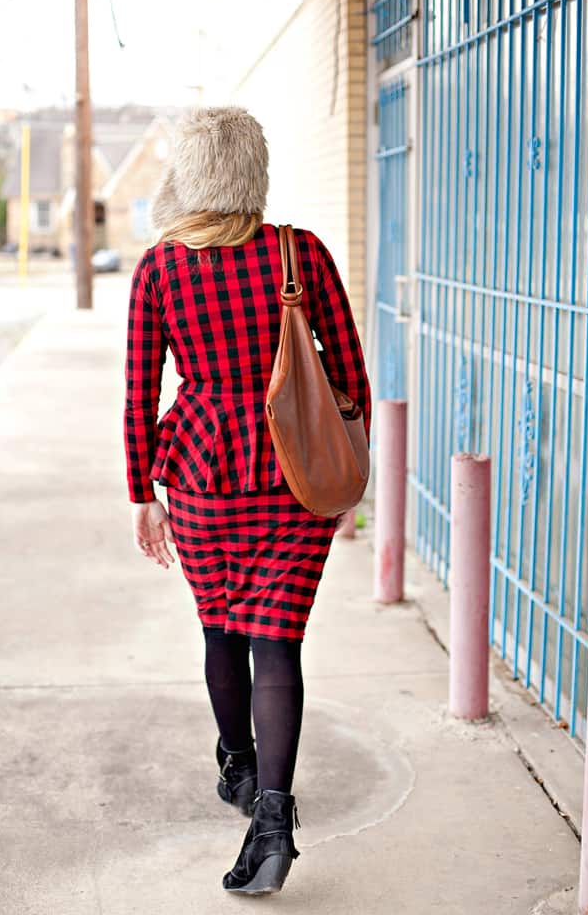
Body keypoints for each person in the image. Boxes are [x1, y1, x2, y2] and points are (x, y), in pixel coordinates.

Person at [123, 106, 371, 895]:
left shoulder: (160, 268)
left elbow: (139, 393)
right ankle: (271, 815)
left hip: (198, 476)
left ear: (187, 175)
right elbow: (351, 379)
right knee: (278, 645)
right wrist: (346, 468)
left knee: (221, 628)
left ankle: (237, 765)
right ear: (253, 174)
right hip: (294, 477)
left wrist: (142, 494)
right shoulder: (300, 254)